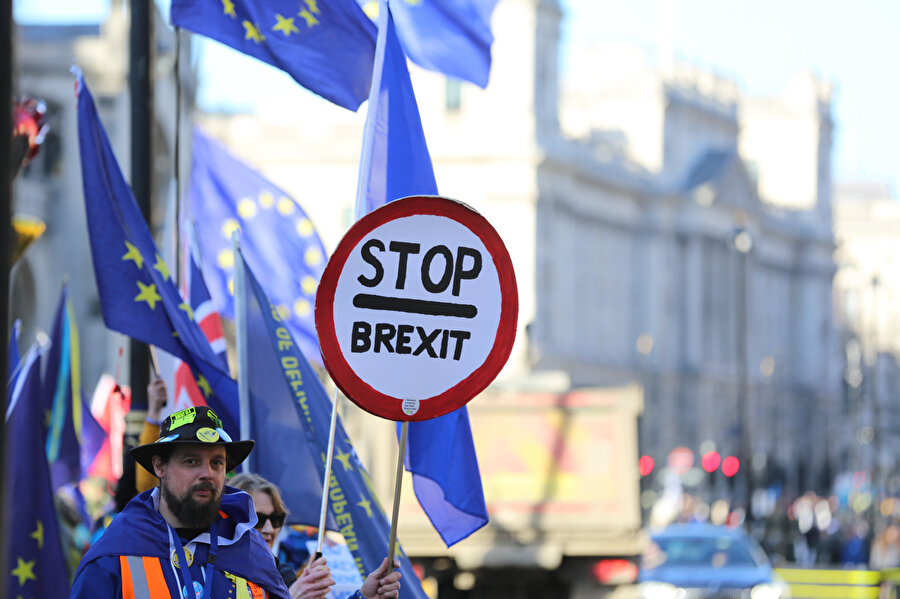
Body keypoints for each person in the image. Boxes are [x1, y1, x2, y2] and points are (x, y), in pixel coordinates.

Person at [71, 405, 402, 599]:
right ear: (159, 466)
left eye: (217, 463)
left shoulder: (249, 549)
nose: (208, 474)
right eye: (191, 462)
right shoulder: (115, 556)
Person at [230, 473, 335, 599]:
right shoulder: (214, 571)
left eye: (276, 519)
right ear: (232, 519)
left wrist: (363, 594)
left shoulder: (283, 574)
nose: (269, 529)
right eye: (258, 519)